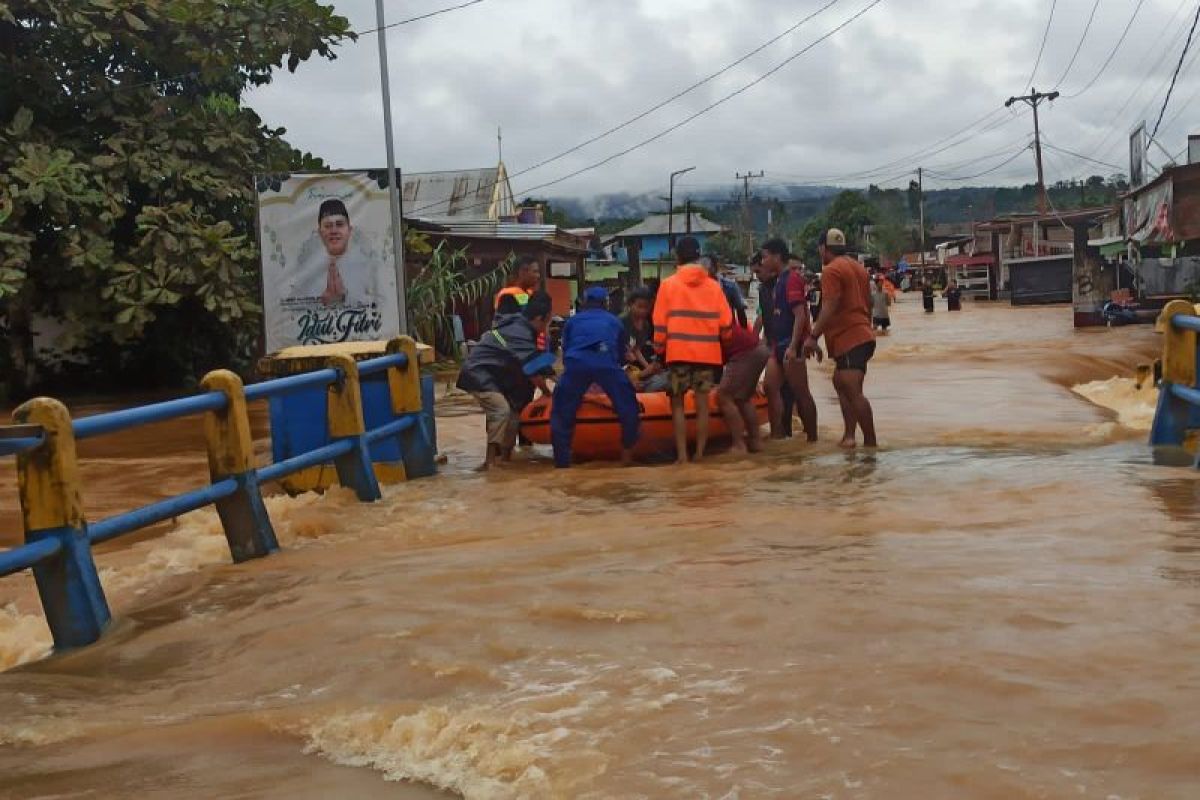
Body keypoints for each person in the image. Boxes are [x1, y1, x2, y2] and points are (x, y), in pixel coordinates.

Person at [653, 236, 732, 464]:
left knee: (677, 404)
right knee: (703, 405)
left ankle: (682, 457)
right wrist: (723, 342)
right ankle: (699, 454)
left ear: (677, 257)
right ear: (699, 257)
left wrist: (659, 346)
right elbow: (726, 324)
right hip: (707, 356)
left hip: (678, 354)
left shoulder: (668, 285)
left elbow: (659, 322)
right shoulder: (714, 287)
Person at [456, 292, 555, 469]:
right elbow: (533, 368)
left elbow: (540, 363)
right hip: (479, 373)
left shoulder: (523, 328)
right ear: (541, 318)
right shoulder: (520, 332)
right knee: (501, 410)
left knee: (513, 415)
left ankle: (505, 460)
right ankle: (489, 462)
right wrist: (548, 392)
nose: (547, 327)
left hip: (497, 375)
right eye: (548, 322)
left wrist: (553, 374)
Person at [802, 229, 877, 449]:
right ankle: (849, 436)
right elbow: (869, 302)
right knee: (840, 383)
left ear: (823, 248)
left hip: (850, 337)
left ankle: (871, 444)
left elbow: (830, 304)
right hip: (861, 335)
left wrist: (813, 336)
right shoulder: (858, 268)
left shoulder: (831, 270)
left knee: (852, 390)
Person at [551, 287, 640, 468]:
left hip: (576, 364)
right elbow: (622, 353)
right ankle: (627, 458)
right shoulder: (614, 321)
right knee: (629, 406)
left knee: (561, 412)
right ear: (606, 303)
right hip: (606, 363)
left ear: (583, 303)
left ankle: (562, 464)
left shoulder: (572, 322)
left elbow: (566, 351)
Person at [761, 238, 819, 442]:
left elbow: (800, 315)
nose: (763, 261)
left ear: (777, 256)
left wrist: (794, 346)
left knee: (801, 393)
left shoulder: (792, 279)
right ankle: (778, 436)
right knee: (769, 386)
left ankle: (812, 438)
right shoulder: (779, 280)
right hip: (779, 345)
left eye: (765, 256)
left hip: (790, 344)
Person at [290, 199, 382, 308]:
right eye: (328, 226)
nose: (334, 231)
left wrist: (346, 298)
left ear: (349, 230)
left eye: (339, 224)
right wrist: (321, 302)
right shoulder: (308, 269)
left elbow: (383, 307)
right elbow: (292, 308)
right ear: (320, 232)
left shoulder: (367, 264)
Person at [718, 311, 770, 455]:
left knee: (724, 395)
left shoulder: (707, 328)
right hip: (759, 349)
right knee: (742, 398)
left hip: (746, 353)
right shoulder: (720, 319)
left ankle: (739, 444)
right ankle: (755, 441)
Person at [620, 287, 668, 392]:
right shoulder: (621, 322)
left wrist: (648, 367)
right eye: (639, 306)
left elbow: (636, 349)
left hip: (634, 366)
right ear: (630, 305)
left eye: (646, 307)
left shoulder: (646, 325)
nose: (643, 311)